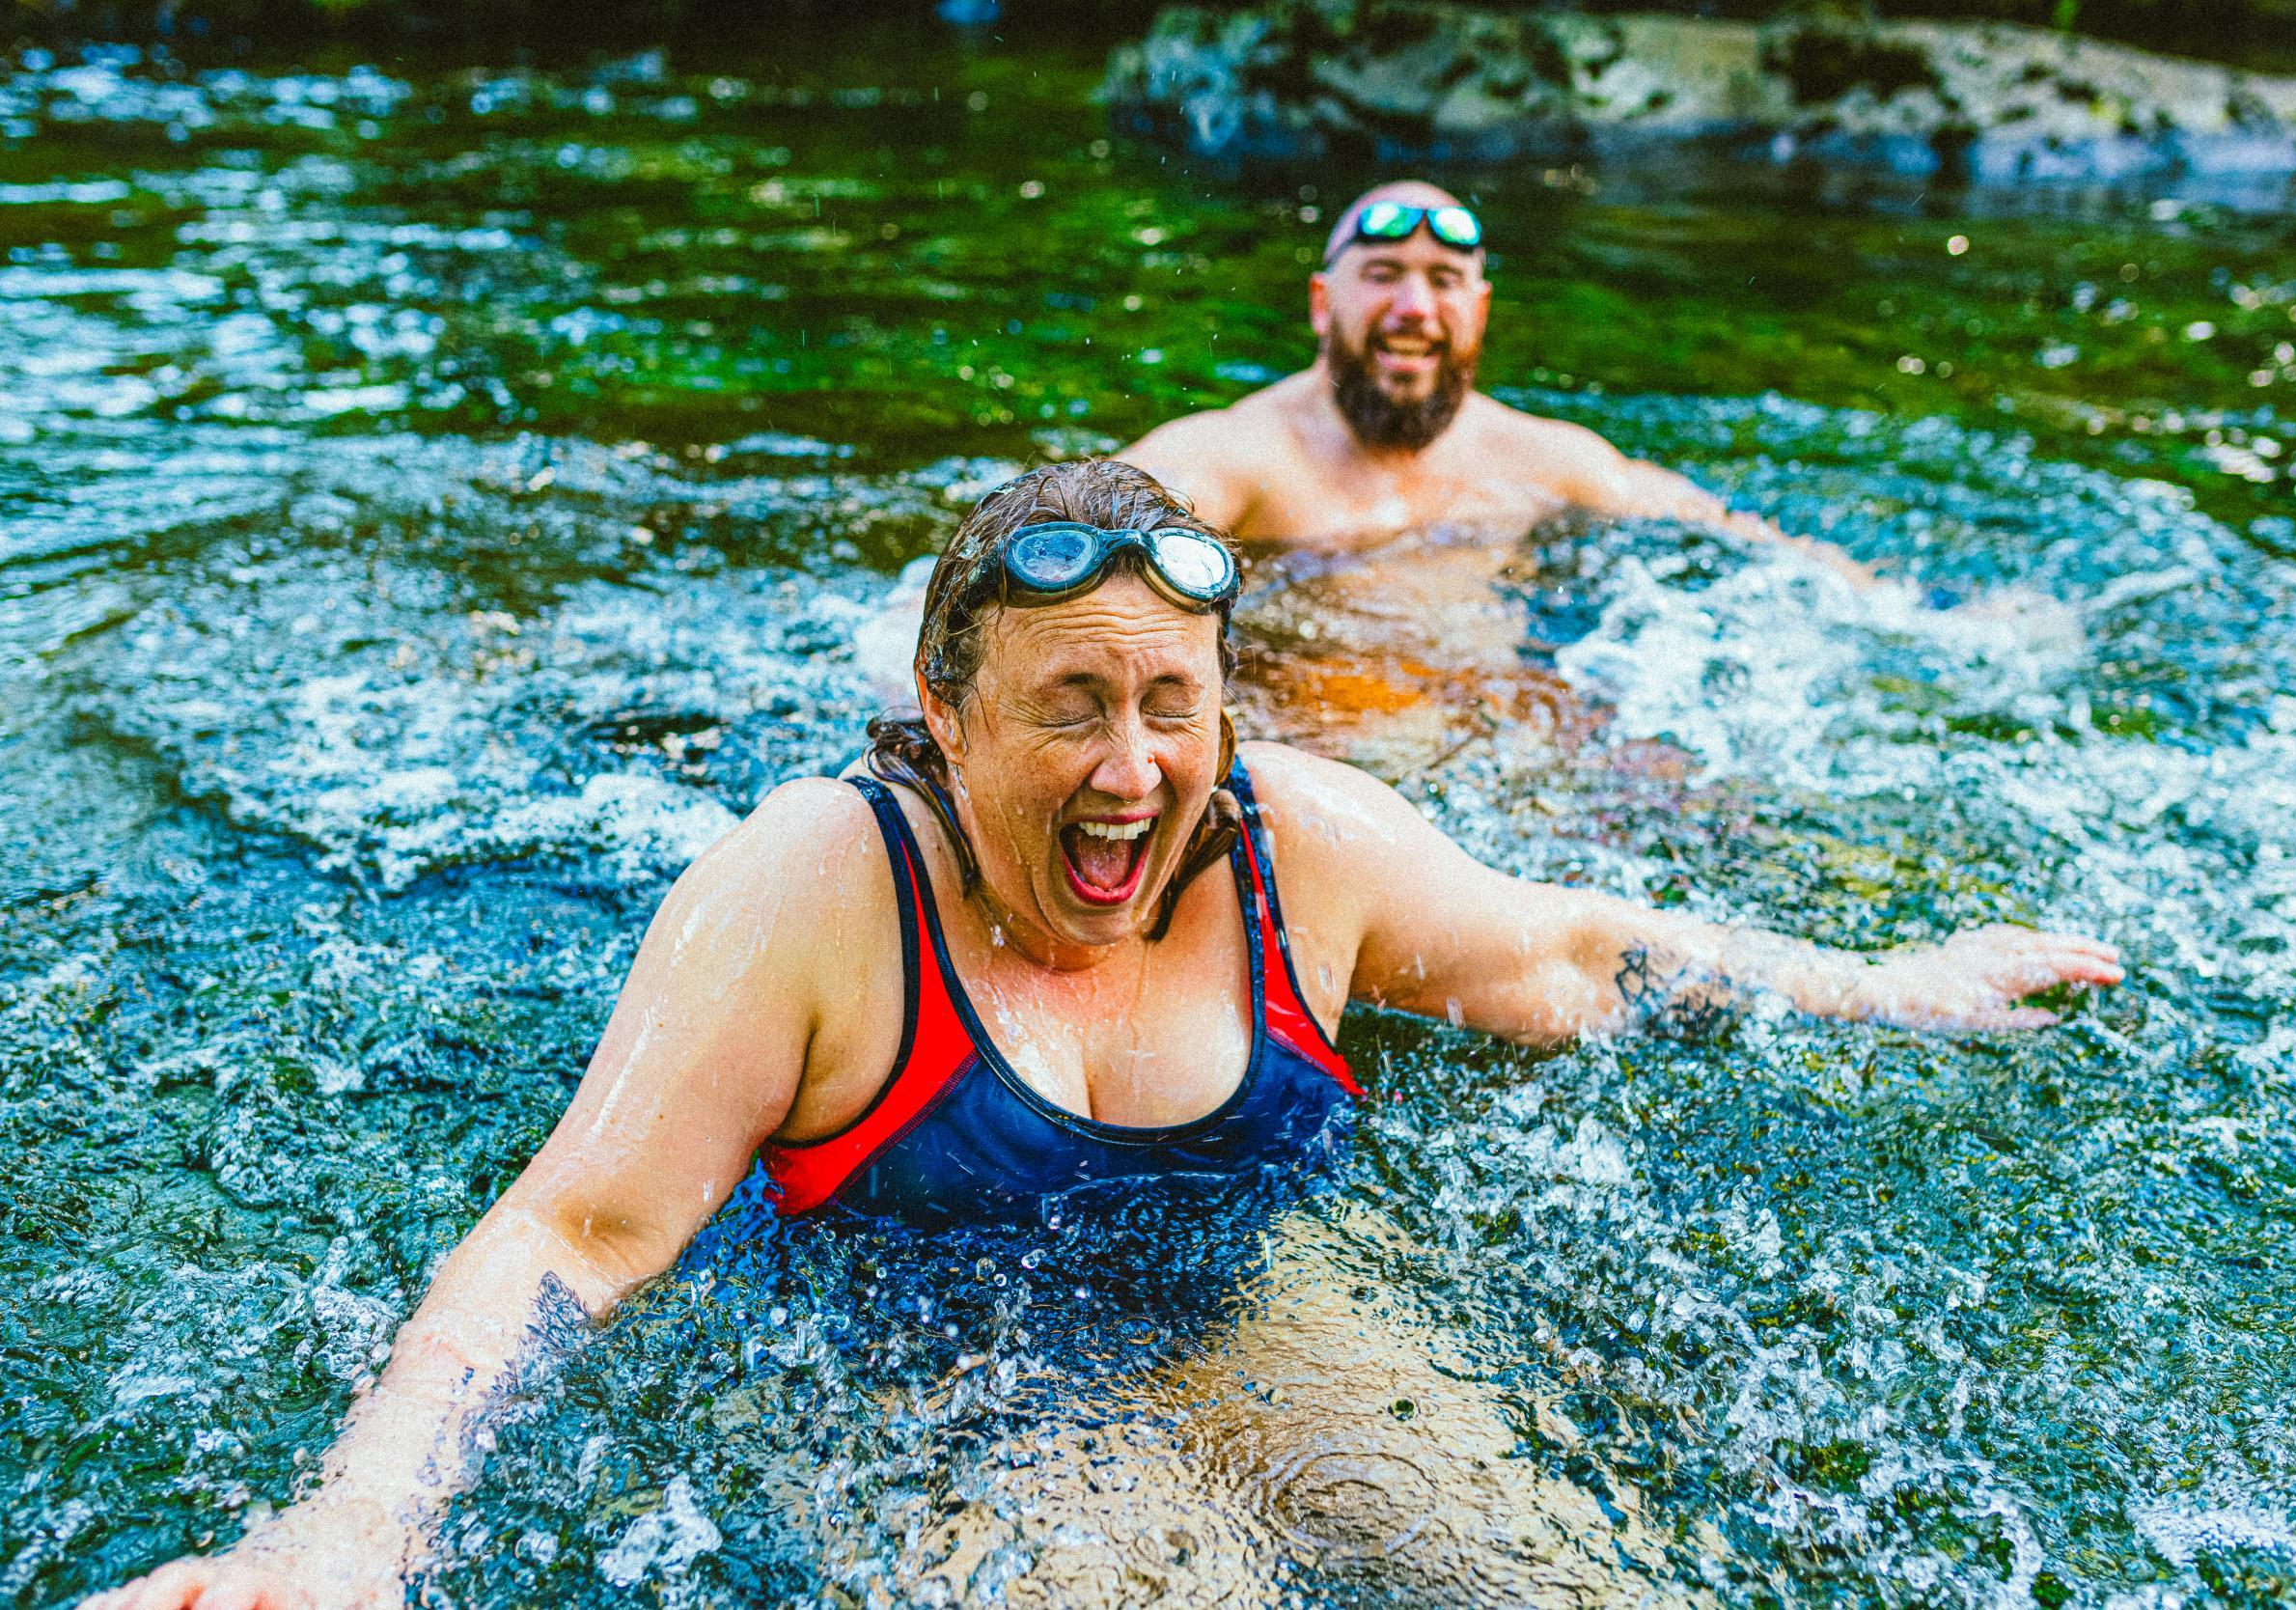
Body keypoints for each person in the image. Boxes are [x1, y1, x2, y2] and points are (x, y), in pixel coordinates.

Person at [86, 460, 2120, 1610]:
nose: (1136, 767)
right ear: (947, 713)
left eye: (1173, 701)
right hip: (930, 1366)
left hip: (1247, 1308)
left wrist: (1884, 985)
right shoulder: (812, 889)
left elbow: (1573, 954)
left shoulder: (1299, 851)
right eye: (1071, 705)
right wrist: (356, 1520)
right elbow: (568, 1240)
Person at [1121, 180, 1874, 579]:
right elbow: (1099, 520)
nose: (1414, 309)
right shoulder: (1245, 458)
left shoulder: (1541, 460)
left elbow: (1732, 533)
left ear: (1478, 310)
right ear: (1323, 304)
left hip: (1496, 747)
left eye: (1444, 281)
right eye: (1382, 275)